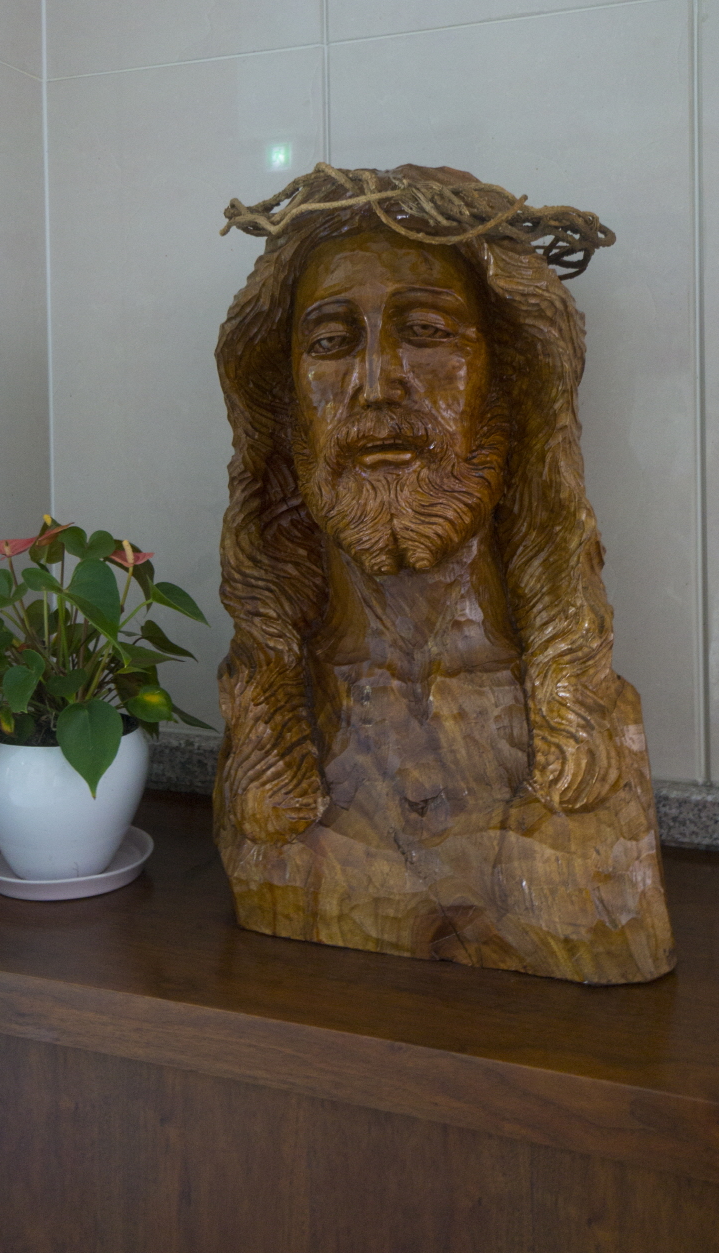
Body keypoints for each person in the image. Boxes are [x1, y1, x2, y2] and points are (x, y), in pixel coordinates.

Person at [213, 163, 674, 984]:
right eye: (331, 343)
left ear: (511, 381)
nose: (376, 383)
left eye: (426, 332)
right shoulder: (269, 722)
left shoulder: (589, 722)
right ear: (285, 408)